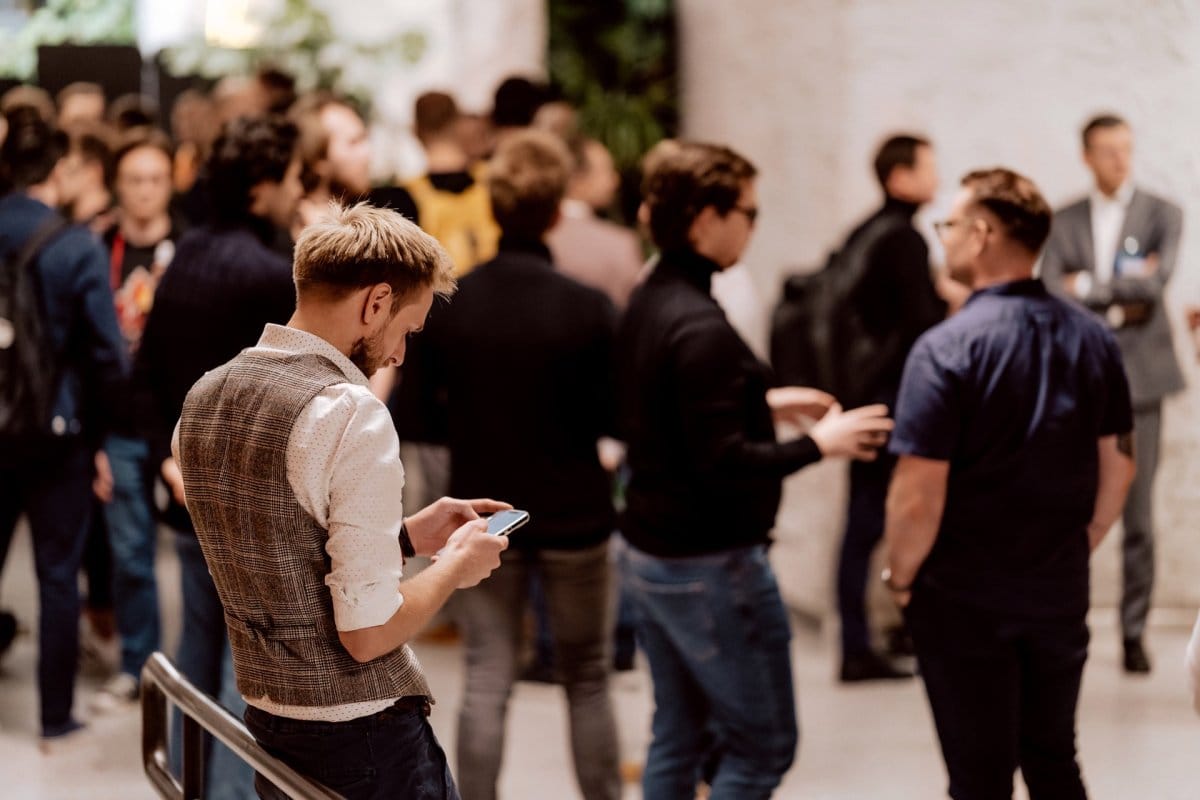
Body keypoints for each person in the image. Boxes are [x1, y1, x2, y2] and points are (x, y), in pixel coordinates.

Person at [174, 201, 509, 799]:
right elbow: (368, 632)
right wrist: (455, 567)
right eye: (407, 330)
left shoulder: (204, 396)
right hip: (365, 737)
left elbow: (277, 547)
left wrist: (402, 538)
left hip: (271, 719)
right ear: (376, 301)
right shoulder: (350, 412)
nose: (399, 355)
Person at [617, 141, 893, 799]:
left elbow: (666, 410)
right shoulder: (700, 324)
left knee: (678, 736)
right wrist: (820, 444)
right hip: (712, 564)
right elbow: (725, 463)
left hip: (653, 552)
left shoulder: (649, 299)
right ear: (705, 219)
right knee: (760, 748)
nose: (753, 223)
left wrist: (760, 402)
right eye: (748, 210)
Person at [885, 168, 1136, 800]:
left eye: (949, 226)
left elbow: (917, 493)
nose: (943, 240)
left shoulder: (946, 349)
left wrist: (902, 577)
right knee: (1054, 759)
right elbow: (1120, 460)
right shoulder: (1094, 338)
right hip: (1056, 586)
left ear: (981, 233)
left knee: (979, 776)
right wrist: (1086, 538)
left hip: (962, 598)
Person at [417, 129, 621, 800]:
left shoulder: (455, 305)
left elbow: (417, 412)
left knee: (485, 672)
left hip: (484, 512)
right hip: (576, 512)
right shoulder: (587, 308)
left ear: (494, 207)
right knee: (587, 674)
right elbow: (615, 418)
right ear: (558, 210)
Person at [136, 114, 302, 799]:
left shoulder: (187, 258)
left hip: (186, 489)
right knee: (245, 674)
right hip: (244, 504)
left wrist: (164, 462)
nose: (300, 189)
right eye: (293, 178)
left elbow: (147, 377)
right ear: (262, 188)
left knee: (195, 661)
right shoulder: (270, 274)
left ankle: (185, 785)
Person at [1039, 114, 1184, 675]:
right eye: (1107, 151)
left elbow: (1156, 281)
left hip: (1142, 381)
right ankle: (1064, 619)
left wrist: (1088, 289)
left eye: (1126, 149)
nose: (1119, 160)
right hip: (1080, 378)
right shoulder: (1063, 219)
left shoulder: (1161, 213)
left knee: (1139, 513)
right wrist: (1117, 298)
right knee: (1075, 505)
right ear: (1087, 155)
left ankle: (1133, 630)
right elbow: (1051, 287)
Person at [0, 106, 126, 742]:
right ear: (56, 169)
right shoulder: (76, 246)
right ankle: (54, 716)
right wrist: (106, 437)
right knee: (57, 573)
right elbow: (108, 356)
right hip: (58, 432)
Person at [831, 134, 947, 682]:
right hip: (891, 401)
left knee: (867, 519)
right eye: (927, 168)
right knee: (876, 519)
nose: (936, 178)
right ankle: (859, 644)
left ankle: (863, 637)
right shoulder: (903, 241)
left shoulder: (868, 232)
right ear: (899, 176)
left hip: (865, 398)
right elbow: (921, 329)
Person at [90, 126, 181, 711]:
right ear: (118, 186)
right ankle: (139, 663)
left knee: (201, 556)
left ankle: (200, 666)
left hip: (181, 424)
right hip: (119, 424)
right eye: (135, 180)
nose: (146, 191)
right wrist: (91, 441)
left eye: (156, 179)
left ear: (171, 185)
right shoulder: (97, 249)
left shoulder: (193, 251)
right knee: (129, 553)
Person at [546, 134, 644, 310]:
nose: (615, 180)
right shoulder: (620, 244)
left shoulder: (535, 236)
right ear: (577, 179)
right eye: (606, 171)